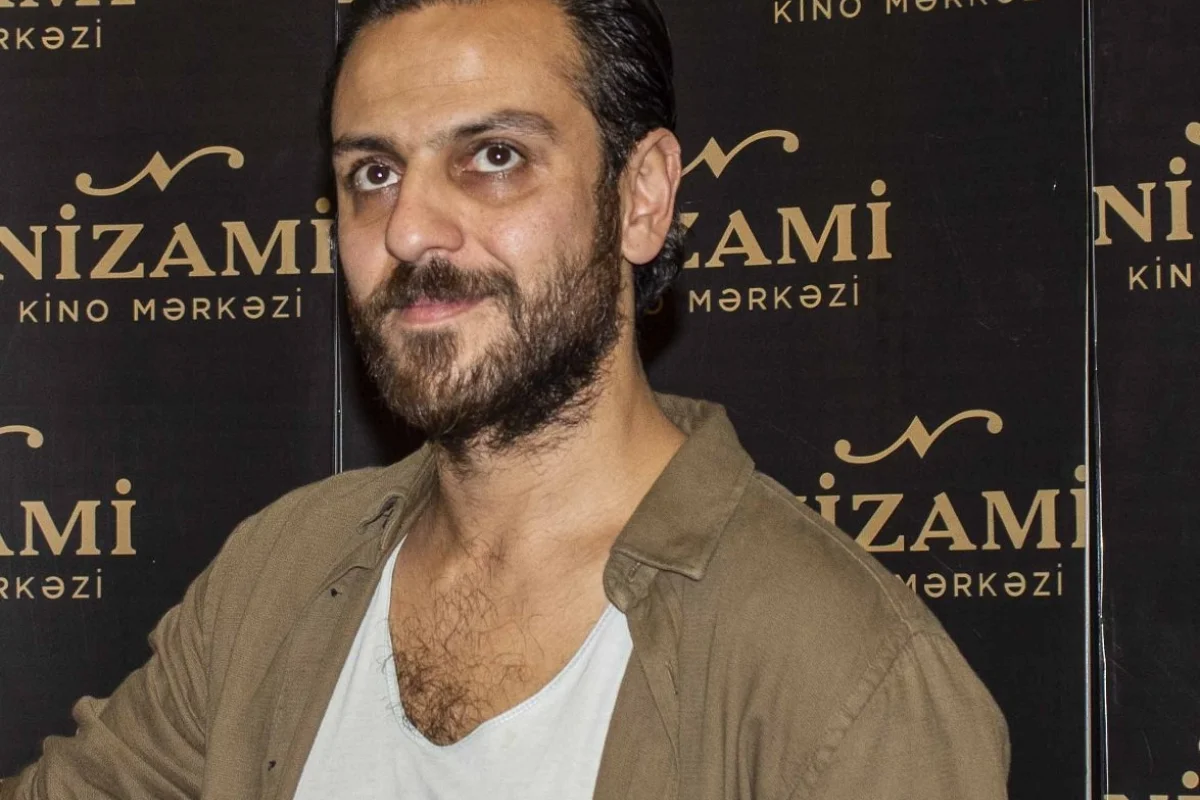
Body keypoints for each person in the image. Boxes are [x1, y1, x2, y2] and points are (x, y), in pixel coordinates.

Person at [0, 0, 1010, 797]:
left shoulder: (848, 679)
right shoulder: (277, 574)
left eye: (494, 157)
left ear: (643, 196)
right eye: (373, 172)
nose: (408, 228)